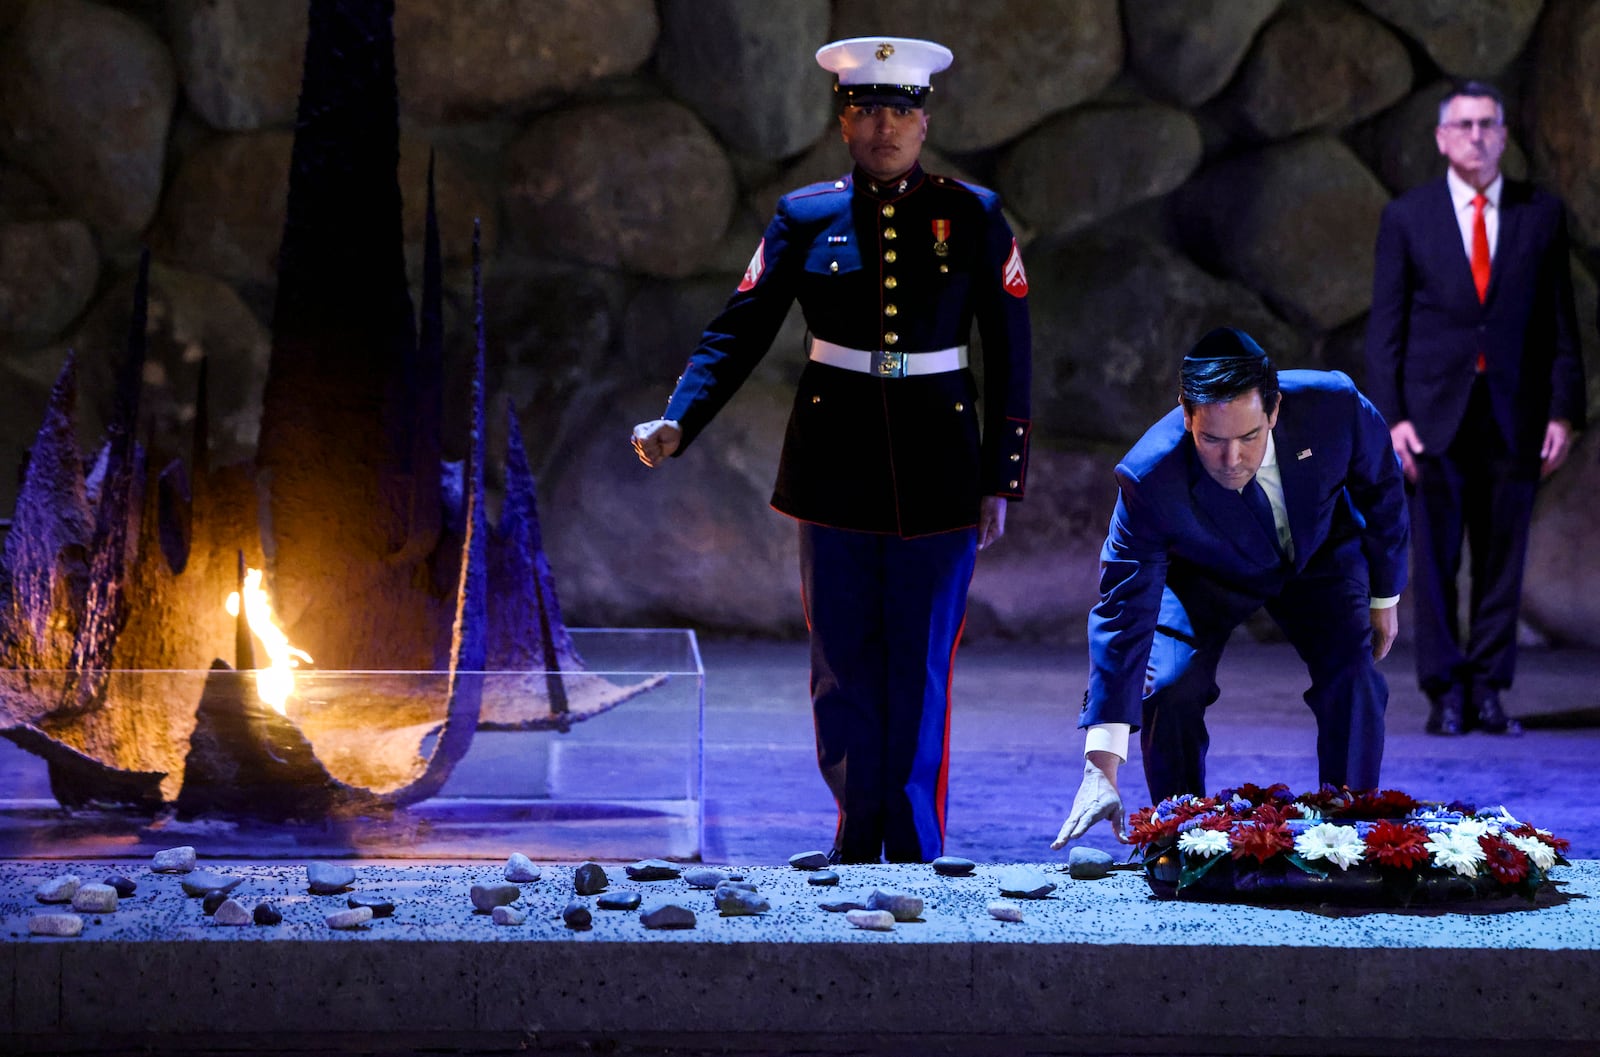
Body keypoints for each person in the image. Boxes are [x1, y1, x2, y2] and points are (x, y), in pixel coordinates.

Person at [631, 37, 1032, 864]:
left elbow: (1012, 352)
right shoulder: (805, 215)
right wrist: (679, 417)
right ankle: (854, 835)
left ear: (925, 124)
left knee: (919, 660)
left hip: (940, 464)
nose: (886, 126)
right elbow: (738, 329)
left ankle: (917, 842)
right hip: (834, 463)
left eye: (902, 111)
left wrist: (1002, 477)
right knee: (842, 657)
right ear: (843, 122)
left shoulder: (975, 214)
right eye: (869, 110)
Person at [1051, 328, 1407, 847]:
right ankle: (1182, 837)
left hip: (1319, 558)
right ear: (1186, 414)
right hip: (1202, 574)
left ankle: (1349, 834)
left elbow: (1384, 488)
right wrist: (1100, 769)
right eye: (1212, 440)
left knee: (1354, 672)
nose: (1232, 459)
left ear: (1275, 410)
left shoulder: (1335, 405)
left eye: (1249, 437)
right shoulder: (1149, 477)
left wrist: (1384, 596)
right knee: (1169, 687)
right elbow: (1122, 615)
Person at [1365, 81, 1585, 737]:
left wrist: (1563, 410)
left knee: (1501, 558)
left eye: (1488, 124)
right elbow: (1387, 330)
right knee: (1433, 561)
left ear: (1504, 135)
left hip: (1515, 413)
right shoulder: (1410, 217)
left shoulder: (1538, 214)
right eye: (1463, 125)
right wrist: (1393, 417)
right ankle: (1445, 693)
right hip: (1432, 416)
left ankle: (1489, 688)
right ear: (1441, 138)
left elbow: (1561, 325)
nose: (1477, 135)